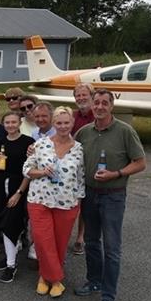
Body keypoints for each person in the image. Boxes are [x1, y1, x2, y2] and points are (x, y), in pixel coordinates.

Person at [74, 88, 146, 301]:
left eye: (105, 103)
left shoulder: (125, 131)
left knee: (112, 248)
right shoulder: (84, 132)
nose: (100, 107)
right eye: (97, 102)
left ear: (111, 106)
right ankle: (93, 280)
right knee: (92, 242)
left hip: (113, 195)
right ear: (92, 105)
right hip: (90, 194)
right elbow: (68, 152)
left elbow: (140, 162)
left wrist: (116, 173)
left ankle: (108, 296)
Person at [23, 106, 85, 298]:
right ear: (54, 123)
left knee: (59, 242)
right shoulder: (40, 144)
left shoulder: (79, 149)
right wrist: (41, 172)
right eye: (59, 122)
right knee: (42, 240)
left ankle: (44, 276)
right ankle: (55, 279)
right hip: (39, 200)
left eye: (66, 122)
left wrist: (78, 202)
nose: (63, 126)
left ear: (72, 123)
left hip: (67, 203)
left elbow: (80, 178)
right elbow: (26, 169)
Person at [0, 112, 34, 283]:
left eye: (13, 122)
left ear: (19, 123)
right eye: (7, 122)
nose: (10, 125)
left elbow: (29, 172)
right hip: (1, 186)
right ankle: (11, 254)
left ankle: (11, 265)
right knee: (4, 222)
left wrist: (19, 193)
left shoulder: (28, 143)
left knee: (11, 222)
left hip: (18, 186)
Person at [71, 82, 95, 255]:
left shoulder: (98, 115)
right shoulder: (73, 116)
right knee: (72, 202)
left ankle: (81, 236)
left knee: (87, 203)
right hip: (74, 165)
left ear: (91, 96)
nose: (81, 98)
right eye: (78, 95)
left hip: (92, 163)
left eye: (84, 95)